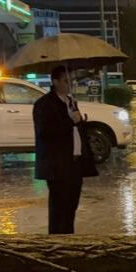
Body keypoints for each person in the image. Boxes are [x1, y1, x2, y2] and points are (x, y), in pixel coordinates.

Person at [33, 65, 98, 234]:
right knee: (59, 209)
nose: (70, 83)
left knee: (71, 207)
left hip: (74, 163)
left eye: (72, 80)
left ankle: (70, 240)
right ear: (55, 82)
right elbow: (44, 132)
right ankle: (57, 243)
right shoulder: (44, 104)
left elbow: (77, 129)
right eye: (66, 80)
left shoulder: (71, 102)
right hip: (57, 166)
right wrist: (70, 121)